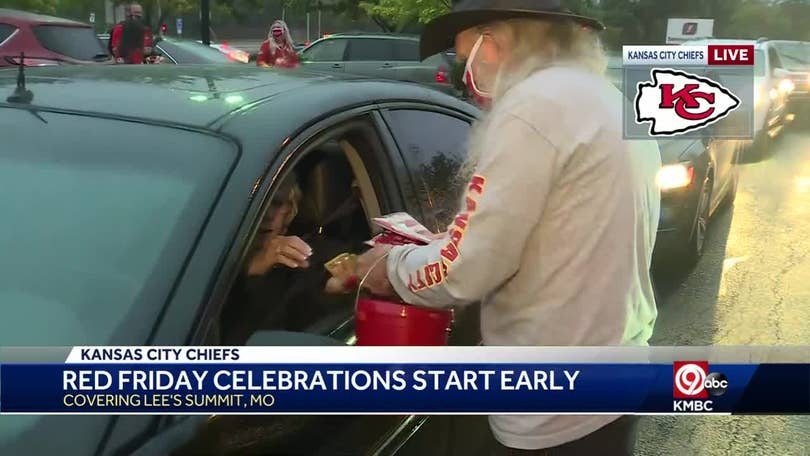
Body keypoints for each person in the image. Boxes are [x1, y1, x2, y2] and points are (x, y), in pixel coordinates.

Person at [355, 0, 662, 454]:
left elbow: (463, 272)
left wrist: (387, 265)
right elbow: (565, 231)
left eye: (466, 60)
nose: (466, 78)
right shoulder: (599, 96)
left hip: (553, 405)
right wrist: (456, 238)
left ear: (495, 42)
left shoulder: (533, 108)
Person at [219, 178, 313, 344]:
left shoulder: (297, 266)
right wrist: (251, 269)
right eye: (258, 201)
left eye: (276, 203)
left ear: (290, 212)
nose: (267, 214)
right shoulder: (208, 257)